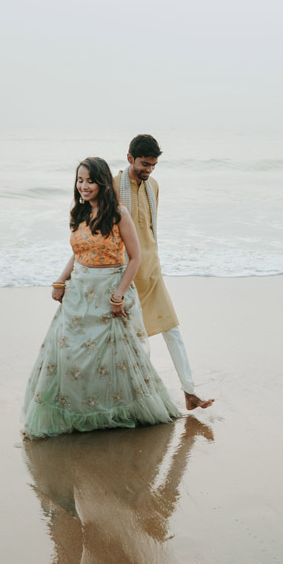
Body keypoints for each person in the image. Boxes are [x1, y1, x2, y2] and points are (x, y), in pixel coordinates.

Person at [23, 156, 180, 439]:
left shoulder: (119, 213)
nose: (84, 186)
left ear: (102, 182)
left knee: (113, 359)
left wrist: (119, 294)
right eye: (80, 181)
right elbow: (79, 252)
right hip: (79, 293)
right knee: (69, 354)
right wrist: (61, 280)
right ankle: (73, 411)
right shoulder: (79, 213)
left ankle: (116, 412)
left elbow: (135, 258)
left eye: (90, 180)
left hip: (110, 292)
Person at [113, 134, 214, 411]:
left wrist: (155, 261)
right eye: (144, 164)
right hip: (125, 273)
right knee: (136, 338)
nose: (149, 170)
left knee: (172, 329)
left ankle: (190, 392)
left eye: (154, 165)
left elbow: (150, 229)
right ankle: (138, 397)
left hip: (152, 270)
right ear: (129, 158)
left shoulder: (153, 185)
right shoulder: (112, 185)